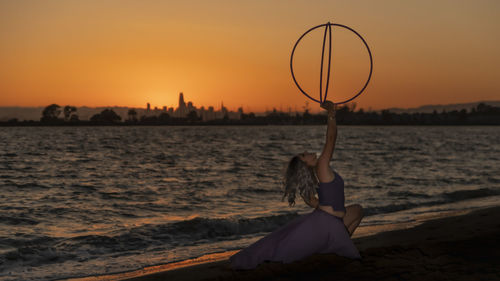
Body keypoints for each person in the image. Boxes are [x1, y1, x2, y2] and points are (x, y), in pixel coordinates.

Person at [230, 101, 363, 270]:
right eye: (303, 155)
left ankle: (333, 243)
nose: (307, 152)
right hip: (328, 223)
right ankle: (333, 242)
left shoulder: (317, 174)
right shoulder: (322, 165)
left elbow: (314, 202)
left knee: (358, 210)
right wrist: (331, 113)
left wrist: (325, 208)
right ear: (305, 164)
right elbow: (331, 138)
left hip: (328, 220)